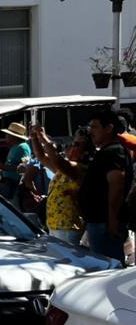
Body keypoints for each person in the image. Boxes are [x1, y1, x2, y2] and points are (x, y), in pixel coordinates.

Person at [79, 110, 132, 262]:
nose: (90, 131)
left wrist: (112, 221)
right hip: (100, 222)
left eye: (94, 127)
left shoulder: (113, 152)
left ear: (109, 128)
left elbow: (117, 186)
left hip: (105, 224)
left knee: (108, 267)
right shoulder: (106, 151)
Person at [30, 125, 88, 246]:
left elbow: (56, 159)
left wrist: (43, 137)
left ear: (85, 153)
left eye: (77, 145)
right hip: (55, 224)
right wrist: (35, 137)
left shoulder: (79, 169)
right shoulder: (62, 169)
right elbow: (41, 156)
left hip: (68, 226)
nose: (71, 147)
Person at [0, 122, 32, 203]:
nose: (6, 136)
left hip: (14, 185)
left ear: (14, 136)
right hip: (8, 183)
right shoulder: (16, 147)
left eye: (8, 134)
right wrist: (2, 170)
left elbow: (24, 167)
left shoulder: (22, 147)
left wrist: (1, 166)